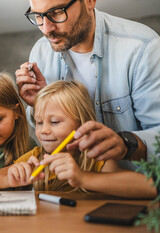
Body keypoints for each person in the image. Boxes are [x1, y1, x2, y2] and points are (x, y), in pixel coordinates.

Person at [15, 0, 160, 167]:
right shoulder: (41, 52)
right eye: (38, 16)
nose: (46, 29)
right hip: (73, 189)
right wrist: (40, 104)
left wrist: (126, 144)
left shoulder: (143, 48)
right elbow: (46, 131)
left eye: (57, 12)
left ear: (89, 2)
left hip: (134, 188)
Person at [0, 81, 156, 198]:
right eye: (38, 123)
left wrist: (83, 177)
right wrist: (10, 179)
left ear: (81, 123)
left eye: (54, 122)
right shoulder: (38, 157)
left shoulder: (93, 157)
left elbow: (149, 187)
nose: (43, 131)